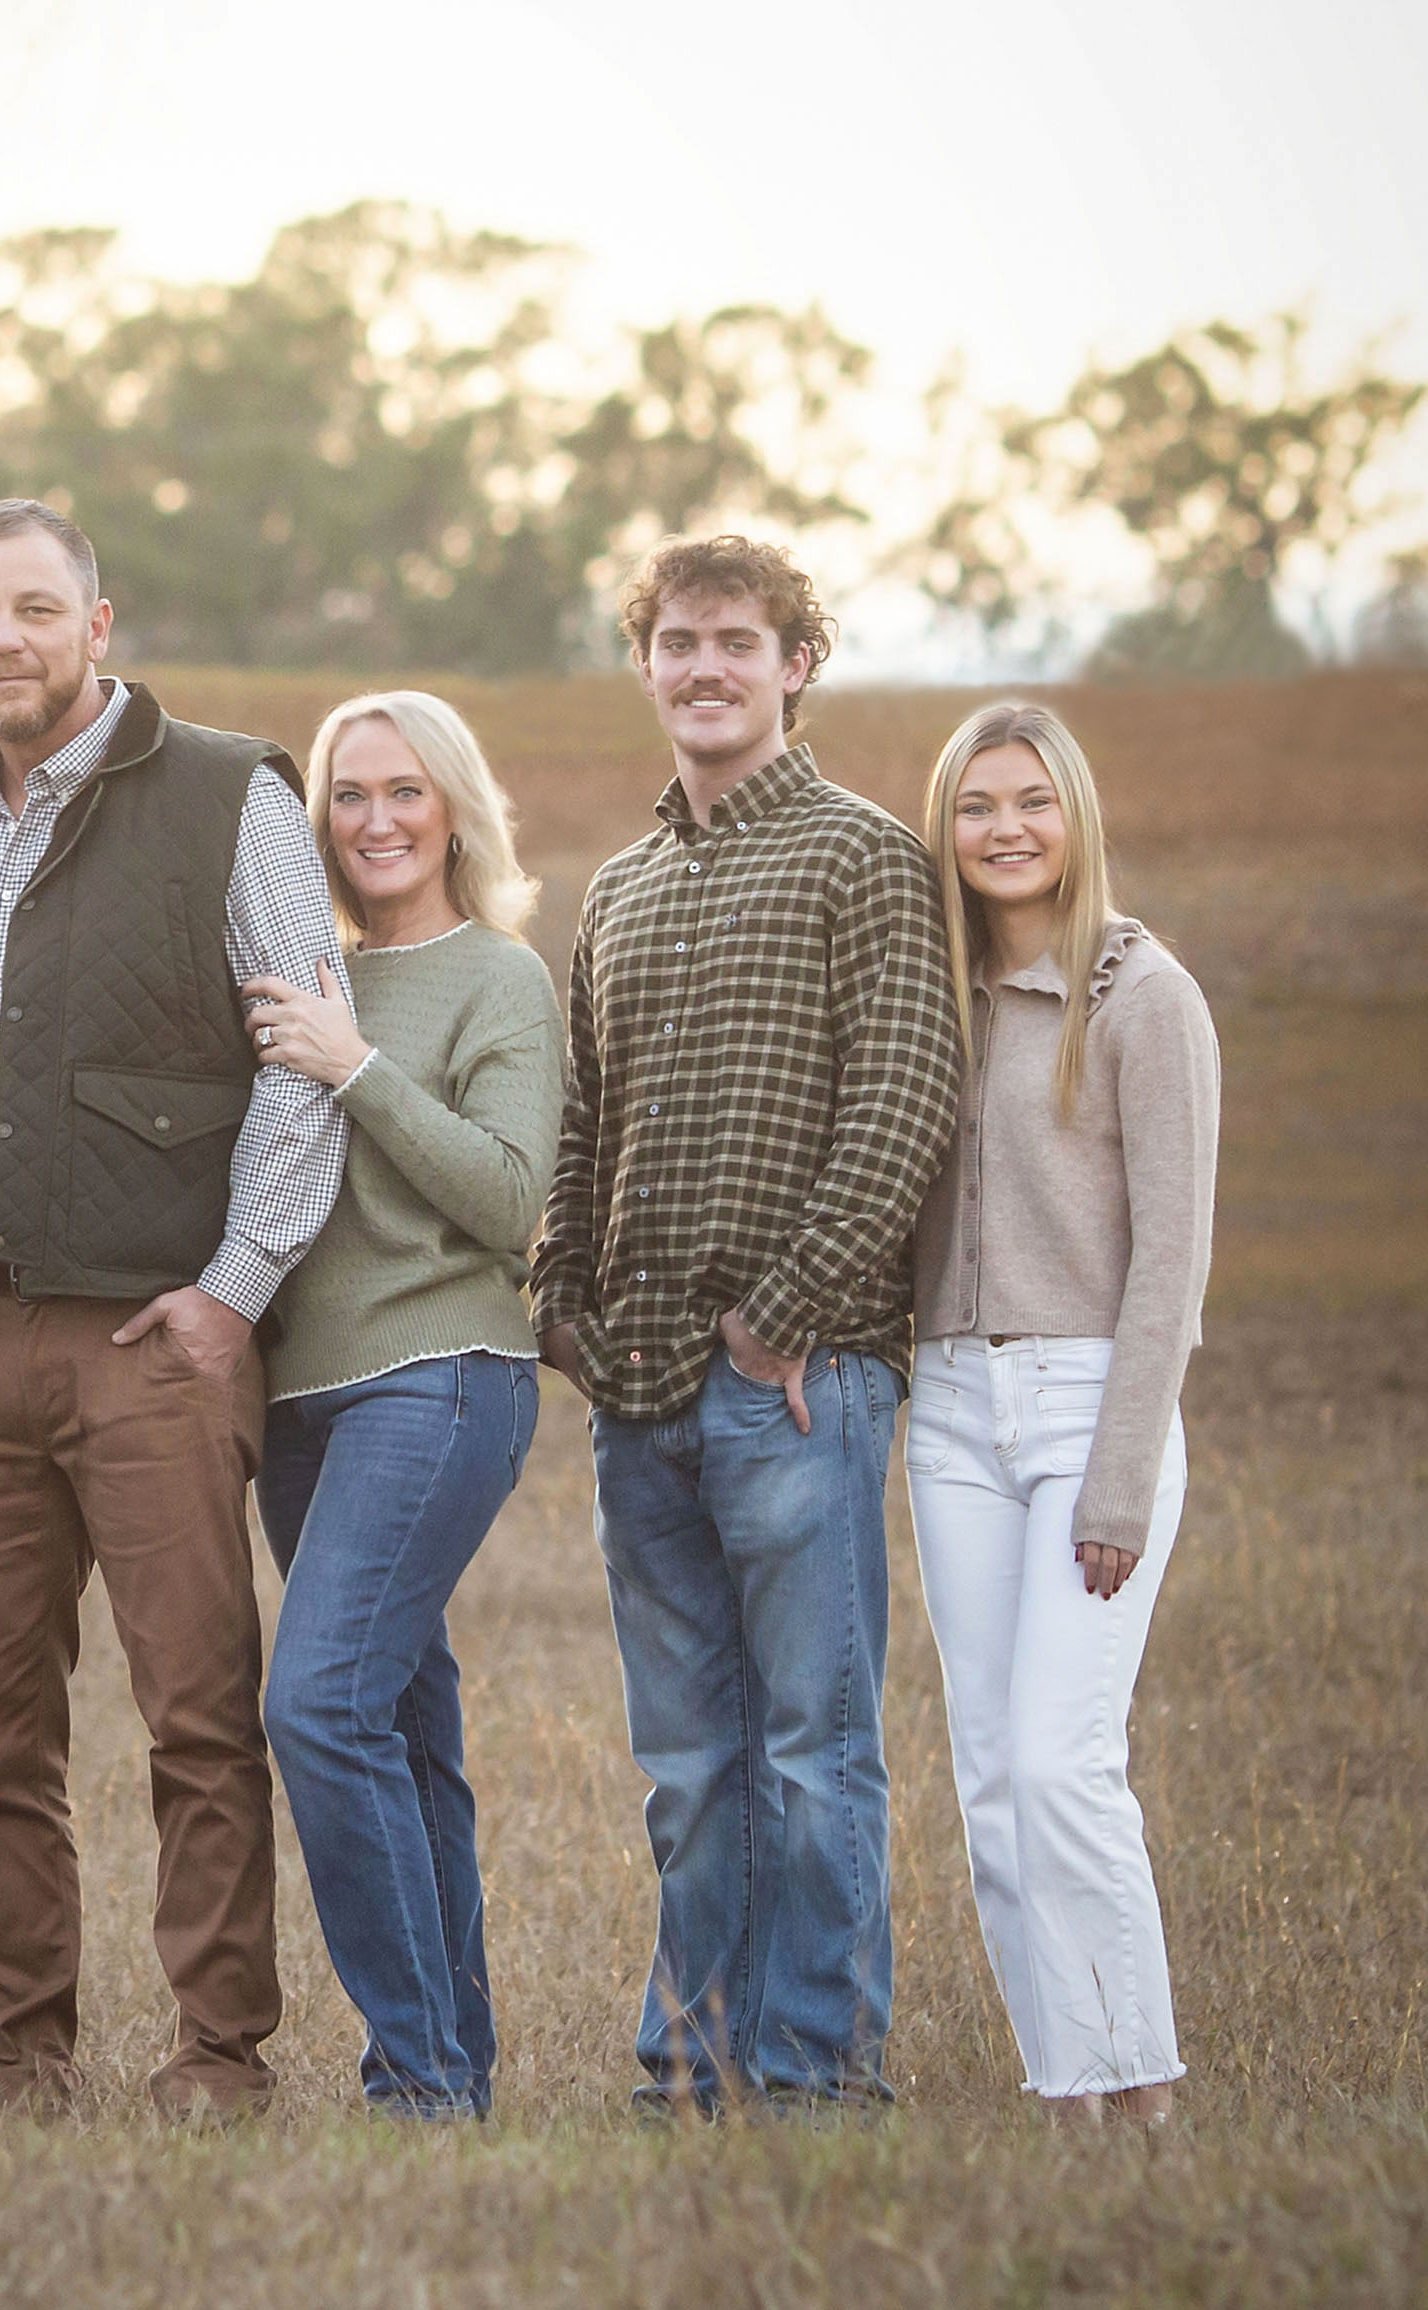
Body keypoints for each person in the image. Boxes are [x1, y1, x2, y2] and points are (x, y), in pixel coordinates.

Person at [0, 498, 349, 2121]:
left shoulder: (228, 790)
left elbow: (306, 1044)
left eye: (35, 608)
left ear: (97, 624)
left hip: (153, 1339)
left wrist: (233, 1293)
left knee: (199, 1717)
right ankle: (17, 2058)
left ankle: (219, 2056)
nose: (4, 638)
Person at [530, 536, 962, 2113]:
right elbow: (584, 1120)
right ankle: (692, 2066)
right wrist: (560, 1304)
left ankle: (815, 2075)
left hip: (796, 1382)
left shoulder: (865, 858)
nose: (704, 668)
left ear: (797, 664)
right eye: (678, 641)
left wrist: (779, 1323)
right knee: (692, 1768)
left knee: (812, 1750)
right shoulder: (622, 887)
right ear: (647, 662)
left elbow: (909, 1098)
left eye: (737, 641)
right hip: (636, 1387)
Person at [238, 691, 562, 2121]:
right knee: (405, 1731)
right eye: (349, 794)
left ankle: (413, 2074)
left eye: (404, 791)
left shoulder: (500, 977)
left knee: (316, 1704)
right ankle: (456, 2077)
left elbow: (508, 1195)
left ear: (454, 810)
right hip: (298, 1408)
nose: (375, 819)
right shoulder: (299, 977)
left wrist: (354, 1067)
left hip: (440, 1377)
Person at [908, 702, 1218, 2125]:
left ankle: (1145, 2095)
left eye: (1032, 801)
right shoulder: (932, 993)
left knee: (1060, 1759)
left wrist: (1120, 1478)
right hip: (949, 1409)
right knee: (990, 1776)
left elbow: (1174, 1259)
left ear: (1075, 815)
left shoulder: (1145, 996)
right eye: (977, 806)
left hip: (1092, 1404)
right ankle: (1071, 2101)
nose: (1005, 829)